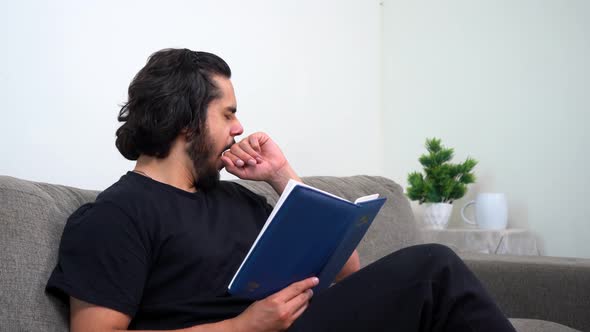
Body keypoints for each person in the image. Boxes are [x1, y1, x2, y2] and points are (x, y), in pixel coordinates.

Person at [46, 48, 516, 332]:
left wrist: (281, 174)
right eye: (227, 113)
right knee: (432, 266)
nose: (240, 126)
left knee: (430, 285)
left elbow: (347, 279)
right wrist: (241, 327)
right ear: (187, 120)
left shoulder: (236, 199)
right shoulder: (116, 214)